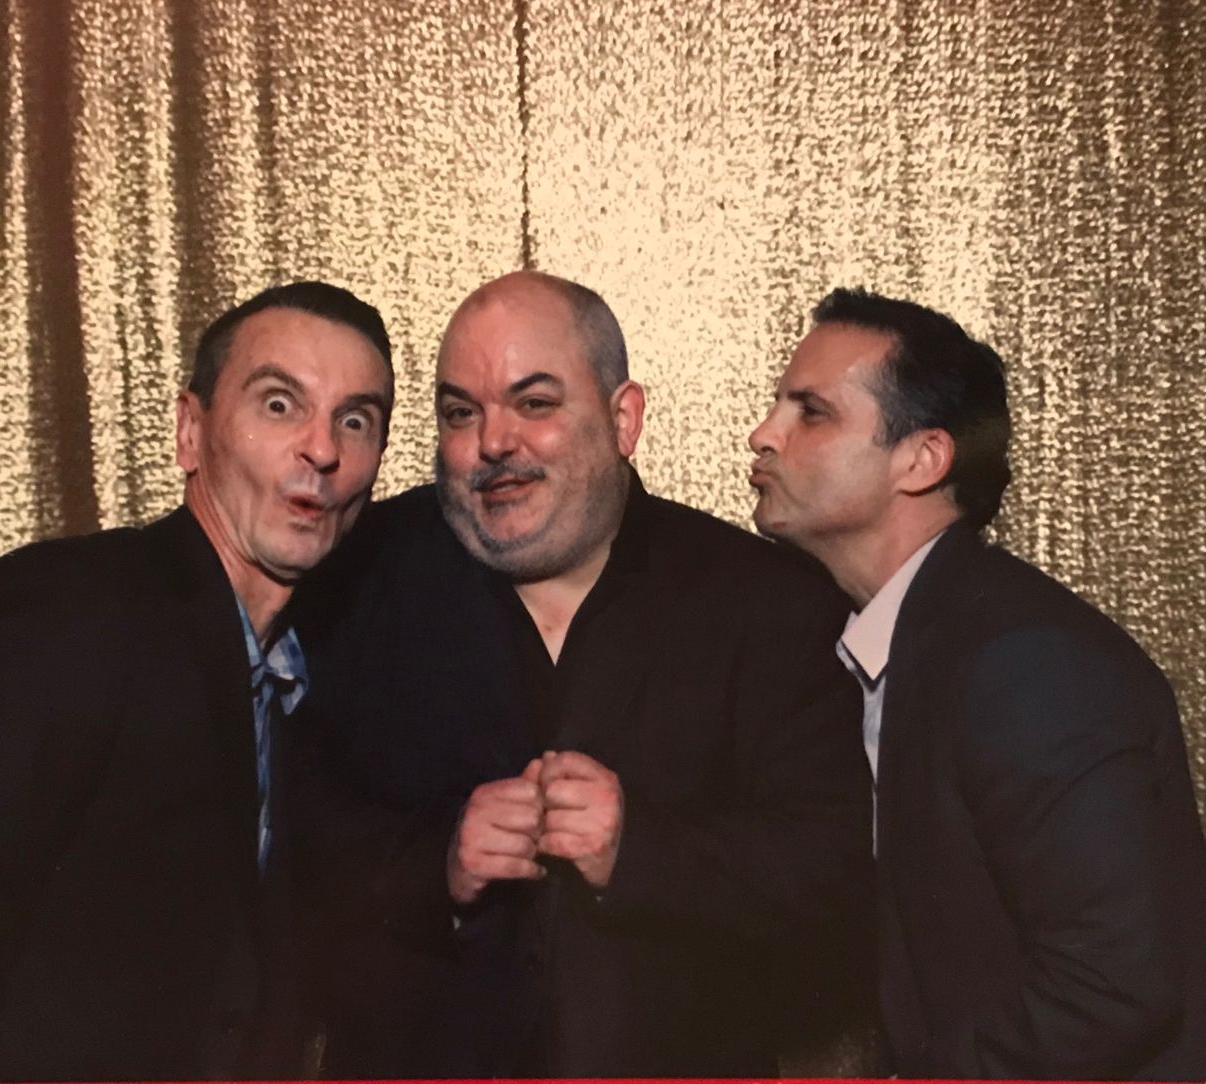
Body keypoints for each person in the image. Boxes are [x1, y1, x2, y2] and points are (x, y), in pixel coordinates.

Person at [293, 270, 871, 1077]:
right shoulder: (350, 579)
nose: (494, 443)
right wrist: (435, 865)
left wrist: (643, 852)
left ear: (623, 418)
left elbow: (837, 869)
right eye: (461, 413)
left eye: (534, 403)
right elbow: (284, 840)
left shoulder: (767, 603)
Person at [0, 281, 395, 1082]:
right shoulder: (66, 611)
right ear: (190, 432)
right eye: (279, 404)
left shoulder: (307, 674)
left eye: (355, 420)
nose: (322, 449)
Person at [746, 286, 1206, 1081]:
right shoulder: (912, 642)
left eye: (812, 413)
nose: (763, 434)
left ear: (923, 459)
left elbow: (1111, 987)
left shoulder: (1023, 662)